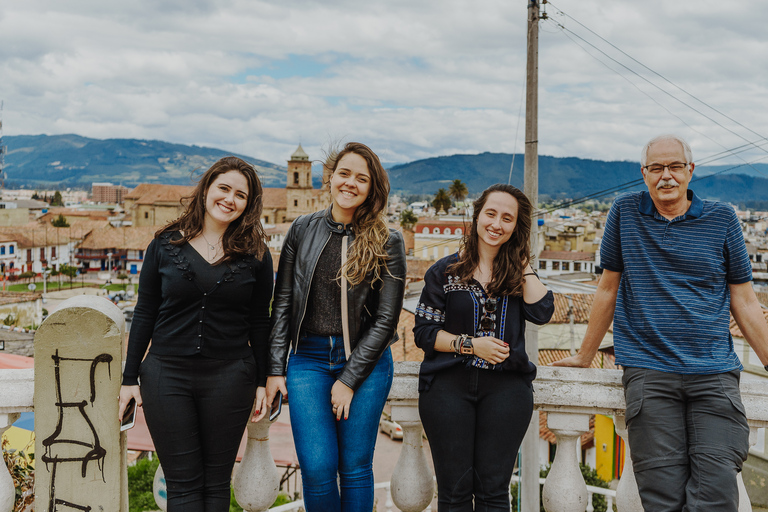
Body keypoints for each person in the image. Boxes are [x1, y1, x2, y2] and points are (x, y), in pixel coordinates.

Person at [554, 134, 768, 511]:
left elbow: (745, 299)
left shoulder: (723, 218)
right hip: (649, 373)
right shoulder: (625, 212)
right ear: (644, 173)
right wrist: (585, 355)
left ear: (690, 171)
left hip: (713, 373)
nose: (665, 176)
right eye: (656, 168)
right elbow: (607, 290)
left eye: (674, 167)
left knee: (716, 494)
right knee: (661, 497)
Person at [118, 156, 274, 512]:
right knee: (183, 487)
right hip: (165, 377)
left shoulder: (257, 255)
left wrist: (263, 380)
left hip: (231, 377)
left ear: (248, 205)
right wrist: (129, 378)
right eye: (224, 188)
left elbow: (259, 321)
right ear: (206, 189)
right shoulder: (164, 245)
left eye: (240, 195)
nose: (229, 199)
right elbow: (145, 312)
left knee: (216, 485)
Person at [266, 141, 406, 512]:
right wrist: (275, 367)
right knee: (316, 467)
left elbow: (386, 319)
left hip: (366, 362)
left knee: (355, 467)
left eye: (362, 178)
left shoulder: (388, 240)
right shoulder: (301, 228)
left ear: (372, 188)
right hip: (308, 360)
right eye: (344, 174)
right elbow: (282, 302)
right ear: (329, 178)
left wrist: (349, 379)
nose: (350, 183)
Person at [414, 183, 554, 512]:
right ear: (477, 216)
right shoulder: (444, 271)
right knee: (454, 492)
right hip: (447, 387)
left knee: (493, 492)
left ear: (516, 227)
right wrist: (471, 345)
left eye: (507, 218)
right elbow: (424, 332)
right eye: (490, 214)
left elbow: (543, 312)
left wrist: (522, 263)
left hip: (506, 390)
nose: (496, 224)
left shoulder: (519, 276)